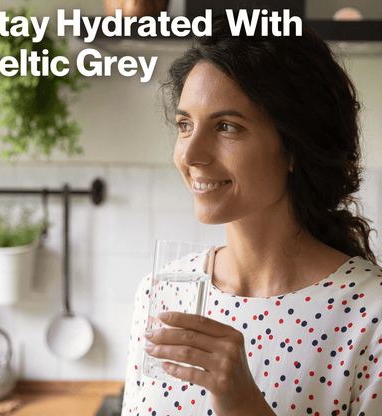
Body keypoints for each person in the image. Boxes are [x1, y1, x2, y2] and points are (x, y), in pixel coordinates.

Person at [121, 12, 382, 416]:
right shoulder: (162, 292)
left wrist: (243, 401)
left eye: (226, 127)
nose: (190, 155)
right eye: (185, 124)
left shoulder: (371, 315)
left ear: (295, 146)